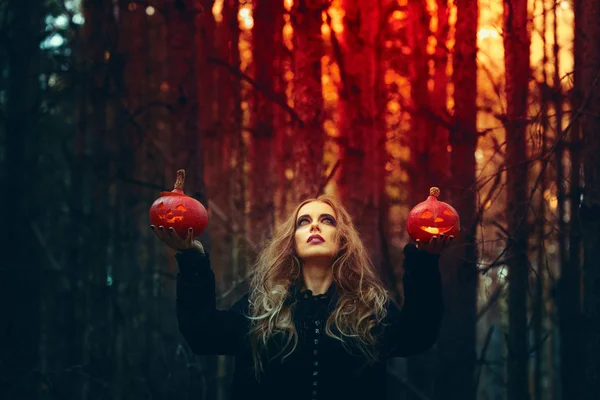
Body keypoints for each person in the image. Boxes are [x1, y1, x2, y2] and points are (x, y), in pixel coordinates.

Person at [151, 194, 451, 400]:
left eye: (327, 220)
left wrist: (424, 263)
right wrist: (192, 261)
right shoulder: (261, 307)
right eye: (303, 221)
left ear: (342, 240)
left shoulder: (369, 308)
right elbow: (203, 336)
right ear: (292, 242)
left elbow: (418, 335)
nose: (315, 225)